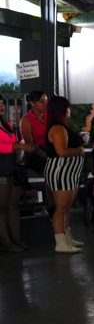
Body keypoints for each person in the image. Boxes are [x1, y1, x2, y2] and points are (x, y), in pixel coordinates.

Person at [44, 96, 86, 254]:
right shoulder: (57, 128)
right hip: (61, 171)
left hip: (68, 172)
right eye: (67, 107)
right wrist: (79, 150)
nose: (69, 110)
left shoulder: (61, 127)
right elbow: (62, 151)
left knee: (65, 208)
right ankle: (60, 242)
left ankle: (67, 237)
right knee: (61, 208)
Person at [0, 103, 31, 252]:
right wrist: (19, 147)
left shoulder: (6, 123)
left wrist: (19, 150)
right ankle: (7, 242)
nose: (1, 105)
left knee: (13, 205)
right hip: (1, 168)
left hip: (12, 166)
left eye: (1, 103)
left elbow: (13, 143)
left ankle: (15, 239)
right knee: (2, 207)